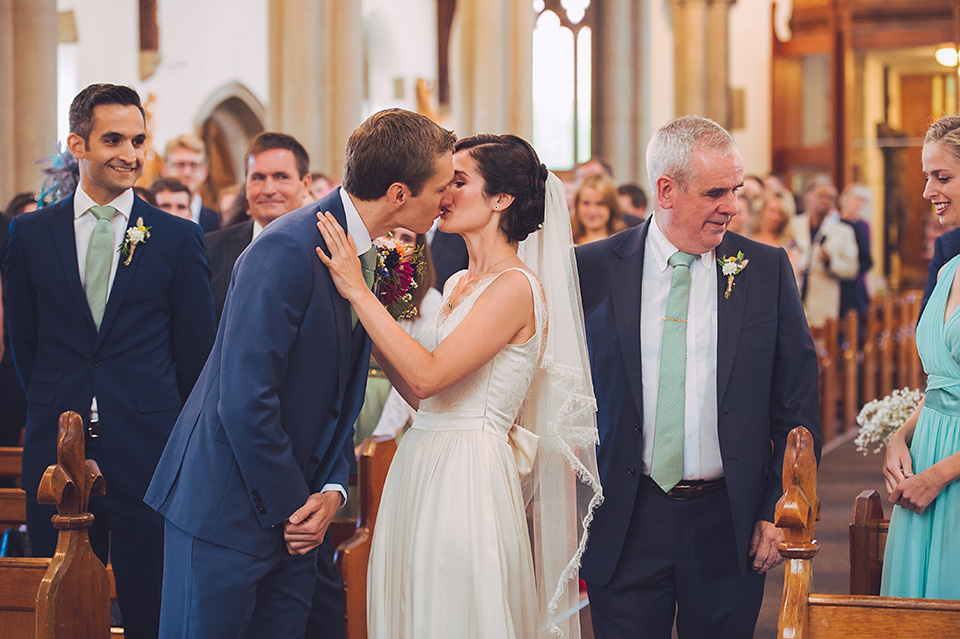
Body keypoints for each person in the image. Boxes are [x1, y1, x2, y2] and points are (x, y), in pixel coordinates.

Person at [144, 108, 456, 638]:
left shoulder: (368, 257)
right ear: (400, 193)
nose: (447, 199)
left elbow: (342, 395)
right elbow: (245, 401)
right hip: (227, 509)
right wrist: (296, 506)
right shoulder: (286, 250)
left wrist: (333, 487)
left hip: (297, 514)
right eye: (442, 187)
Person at [316, 133, 601, 638]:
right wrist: (363, 312)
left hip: (469, 473)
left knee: (455, 612)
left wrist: (359, 293)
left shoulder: (516, 287)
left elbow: (428, 374)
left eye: (458, 182)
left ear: (501, 199)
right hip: (421, 456)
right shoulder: (456, 283)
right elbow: (420, 391)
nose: (443, 194)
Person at [576, 115, 821, 639]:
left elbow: (796, 403)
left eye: (734, 189)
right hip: (626, 516)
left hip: (728, 521)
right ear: (666, 190)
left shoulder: (764, 270)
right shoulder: (592, 269)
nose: (731, 205)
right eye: (715, 192)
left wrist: (777, 509)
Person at [3, 83, 215, 638]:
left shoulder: (175, 236)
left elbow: (194, 355)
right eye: (113, 139)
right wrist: (58, 398)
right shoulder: (29, 235)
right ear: (78, 143)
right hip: (57, 444)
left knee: (150, 601)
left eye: (139, 139)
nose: (130, 153)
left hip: (149, 448)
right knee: (61, 605)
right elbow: (27, 345)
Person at [881, 114, 960, 600]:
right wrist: (901, 436)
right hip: (928, 453)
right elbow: (943, 381)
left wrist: (940, 475)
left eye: (943, 176)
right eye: (926, 177)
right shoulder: (949, 265)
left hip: (948, 470)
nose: (929, 190)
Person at [204, 132, 312, 323]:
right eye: (258, 177)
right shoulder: (210, 249)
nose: (268, 189)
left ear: (305, 184)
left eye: (281, 177)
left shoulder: (327, 249)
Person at [357, 227, 442, 448]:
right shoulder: (362, 287)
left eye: (407, 239)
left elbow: (411, 375)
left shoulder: (429, 301)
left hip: (396, 405)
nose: (396, 243)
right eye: (390, 233)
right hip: (355, 395)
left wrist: (382, 434)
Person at [795, 177, 860, 329]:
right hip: (795, 297)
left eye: (830, 197)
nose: (825, 200)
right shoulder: (793, 224)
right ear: (809, 196)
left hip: (822, 302)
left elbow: (852, 268)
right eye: (821, 195)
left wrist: (831, 262)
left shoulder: (843, 231)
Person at [161, 133, 221, 232]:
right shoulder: (149, 214)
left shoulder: (218, 222)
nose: (187, 173)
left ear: (204, 171)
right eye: (180, 164)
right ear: (165, 170)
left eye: (194, 165)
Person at [837, 183, 874, 321]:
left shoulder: (862, 226)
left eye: (863, 201)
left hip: (853, 283)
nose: (859, 204)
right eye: (856, 199)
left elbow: (866, 259)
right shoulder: (833, 222)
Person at [572, 173, 627, 245]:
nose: (592, 211)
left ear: (612, 206)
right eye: (586, 203)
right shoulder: (566, 244)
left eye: (600, 204)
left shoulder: (625, 243)